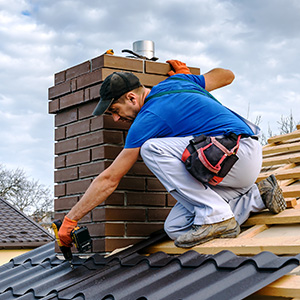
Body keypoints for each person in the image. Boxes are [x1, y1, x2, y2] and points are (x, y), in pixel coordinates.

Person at [58, 60, 286, 249]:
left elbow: (110, 179)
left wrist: (71, 219)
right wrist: (192, 81)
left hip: (236, 153)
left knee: (152, 148)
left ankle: (217, 216)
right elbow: (227, 75)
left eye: (115, 111)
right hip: (232, 168)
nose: (116, 119)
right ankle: (257, 196)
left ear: (131, 98)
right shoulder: (179, 81)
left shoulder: (148, 118)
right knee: (176, 228)